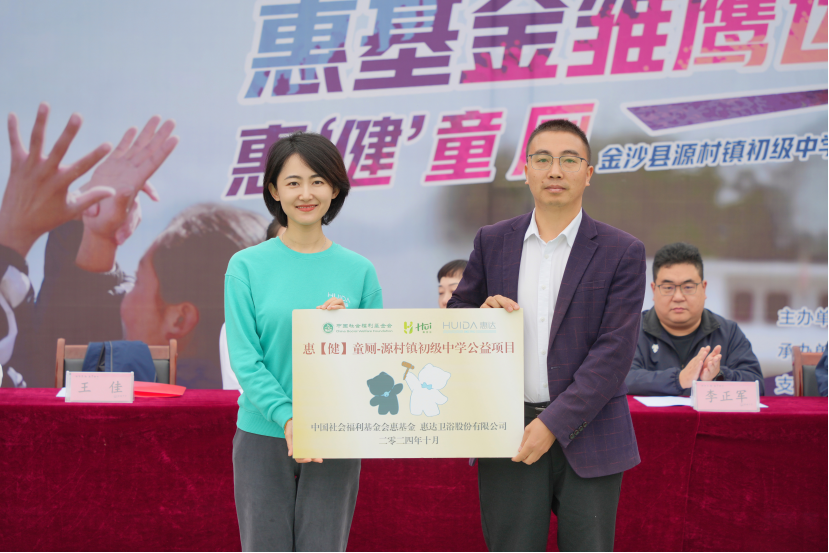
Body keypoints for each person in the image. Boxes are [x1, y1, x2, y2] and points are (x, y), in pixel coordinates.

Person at [448, 119, 645, 551]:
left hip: (592, 433)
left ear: (588, 173)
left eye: (569, 160)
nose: (555, 171)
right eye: (543, 159)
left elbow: (614, 352)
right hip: (508, 430)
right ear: (526, 171)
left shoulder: (622, 251)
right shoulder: (492, 241)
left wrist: (552, 424)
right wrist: (481, 315)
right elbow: (457, 316)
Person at [224, 132, 382, 551]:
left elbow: (374, 364)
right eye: (293, 182)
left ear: (335, 189)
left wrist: (347, 336)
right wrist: (288, 418)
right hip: (263, 434)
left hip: (336, 434)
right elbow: (246, 359)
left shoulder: (360, 271)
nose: (306, 194)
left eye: (317, 181)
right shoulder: (245, 266)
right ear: (274, 191)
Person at [625, 242, 764, 396]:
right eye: (668, 288)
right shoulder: (631, 330)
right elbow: (621, 379)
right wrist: (678, 379)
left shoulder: (728, 332)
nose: (678, 297)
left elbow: (757, 385)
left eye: (688, 287)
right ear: (653, 290)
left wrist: (718, 376)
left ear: (703, 288)